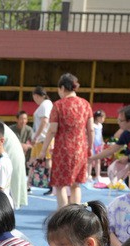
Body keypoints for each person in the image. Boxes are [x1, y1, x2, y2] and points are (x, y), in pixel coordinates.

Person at [39, 73, 94, 207]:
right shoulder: (86, 104)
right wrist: (89, 148)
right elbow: (91, 129)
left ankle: (63, 214)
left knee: (60, 185)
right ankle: (75, 214)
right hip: (80, 149)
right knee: (76, 185)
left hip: (63, 149)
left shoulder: (58, 105)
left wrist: (43, 150)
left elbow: (52, 130)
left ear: (62, 87)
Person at [32, 86, 53, 150]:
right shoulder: (46, 104)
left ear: (36, 96)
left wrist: (36, 137)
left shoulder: (45, 105)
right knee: (33, 159)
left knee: (46, 159)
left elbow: (44, 121)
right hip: (42, 139)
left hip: (43, 139)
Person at [90, 110, 106, 182]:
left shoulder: (100, 126)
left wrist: (102, 142)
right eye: (102, 118)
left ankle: (98, 175)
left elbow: (100, 135)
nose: (103, 119)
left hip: (98, 145)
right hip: (93, 145)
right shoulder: (92, 125)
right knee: (90, 160)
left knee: (98, 160)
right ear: (98, 117)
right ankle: (88, 175)